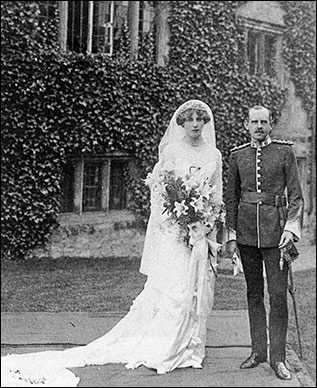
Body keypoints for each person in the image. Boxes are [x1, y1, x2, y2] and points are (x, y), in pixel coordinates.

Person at [1, 100, 225, 387]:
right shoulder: (171, 152)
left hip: (199, 233)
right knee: (175, 291)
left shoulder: (214, 155)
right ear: (181, 122)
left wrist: (204, 223)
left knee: (196, 289)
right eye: (190, 119)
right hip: (175, 232)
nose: (195, 124)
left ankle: (191, 350)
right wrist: (177, 221)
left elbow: (215, 195)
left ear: (205, 123)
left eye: (200, 119)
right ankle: (166, 349)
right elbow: (160, 195)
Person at [225, 105, 304, 381]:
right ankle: (258, 351)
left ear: (270, 125)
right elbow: (231, 198)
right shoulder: (237, 156)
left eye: (264, 122)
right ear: (246, 125)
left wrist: (290, 229)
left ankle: (278, 358)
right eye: (254, 122)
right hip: (246, 234)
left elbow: (296, 197)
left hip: (276, 235)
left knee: (277, 296)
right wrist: (232, 236)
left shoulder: (284, 151)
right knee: (254, 293)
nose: (259, 126)